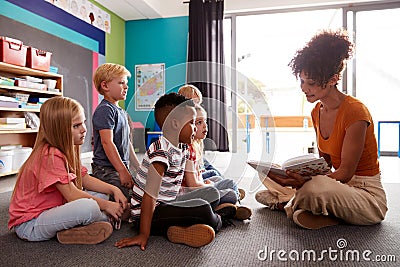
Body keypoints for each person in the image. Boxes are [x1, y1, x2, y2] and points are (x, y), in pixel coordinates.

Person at [256, 29, 387, 229]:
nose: (304, 88)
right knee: (267, 174)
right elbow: (325, 165)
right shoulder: (317, 111)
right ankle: (309, 206)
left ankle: (289, 203)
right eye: (301, 81)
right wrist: (296, 176)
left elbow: (344, 173)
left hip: (366, 195)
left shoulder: (355, 112)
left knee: (314, 188)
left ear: (334, 79)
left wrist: (305, 182)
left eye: (311, 83)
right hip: (338, 188)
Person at [8, 96, 127, 244]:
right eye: (76, 126)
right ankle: (110, 216)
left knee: (100, 195)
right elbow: (72, 195)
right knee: (88, 206)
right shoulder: (49, 155)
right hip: (31, 224)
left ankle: (76, 229)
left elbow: (84, 179)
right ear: (59, 130)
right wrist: (108, 205)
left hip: (54, 208)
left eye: (83, 122)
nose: (84, 129)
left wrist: (113, 190)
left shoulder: (68, 150)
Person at [115, 92, 223, 250]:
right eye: (192, 123)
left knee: (213, 194)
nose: (195, 128)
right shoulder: (161, 152)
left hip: (169, 202)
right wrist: (143, 234)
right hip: (149, 214)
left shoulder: (183, 147)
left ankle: (180, 229)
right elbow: (149, 197)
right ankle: (218, 219)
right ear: (175, 124)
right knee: (204, 209)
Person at [182, 104, 252, 221]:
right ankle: (234, 205)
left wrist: (206, 182)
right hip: (192, 192)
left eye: (205, 121)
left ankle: (232, 206)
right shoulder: (188, 149)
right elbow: (192, 184)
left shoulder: (197, 145)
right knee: (231, 193)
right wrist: (207, 185)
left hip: (199, 187)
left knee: (227, 182)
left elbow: (197, 178)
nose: (205, 125)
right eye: (199, 123)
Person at [177, 84, 246, 200]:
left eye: (198, 102)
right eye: (192, 102)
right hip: (191, 189)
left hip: (196, 179)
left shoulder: (194, 141)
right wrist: (208, 185)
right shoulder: (186, 140)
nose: (196, 106)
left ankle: (231, 198)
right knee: (218, 178)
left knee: (217, 176)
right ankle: (232, 199)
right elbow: (192, 183)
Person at [91, 63, 140, 200]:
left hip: (119, 167)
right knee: (127, 197)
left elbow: (127, 143)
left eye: (126, 83)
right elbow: (107, 142)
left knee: (140, 189)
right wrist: (122, 171)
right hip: (106, 170)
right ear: (105, 86)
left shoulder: (122, 113)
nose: (126, 87)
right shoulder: (105, 110)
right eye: (121, 83)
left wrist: (138, 168)